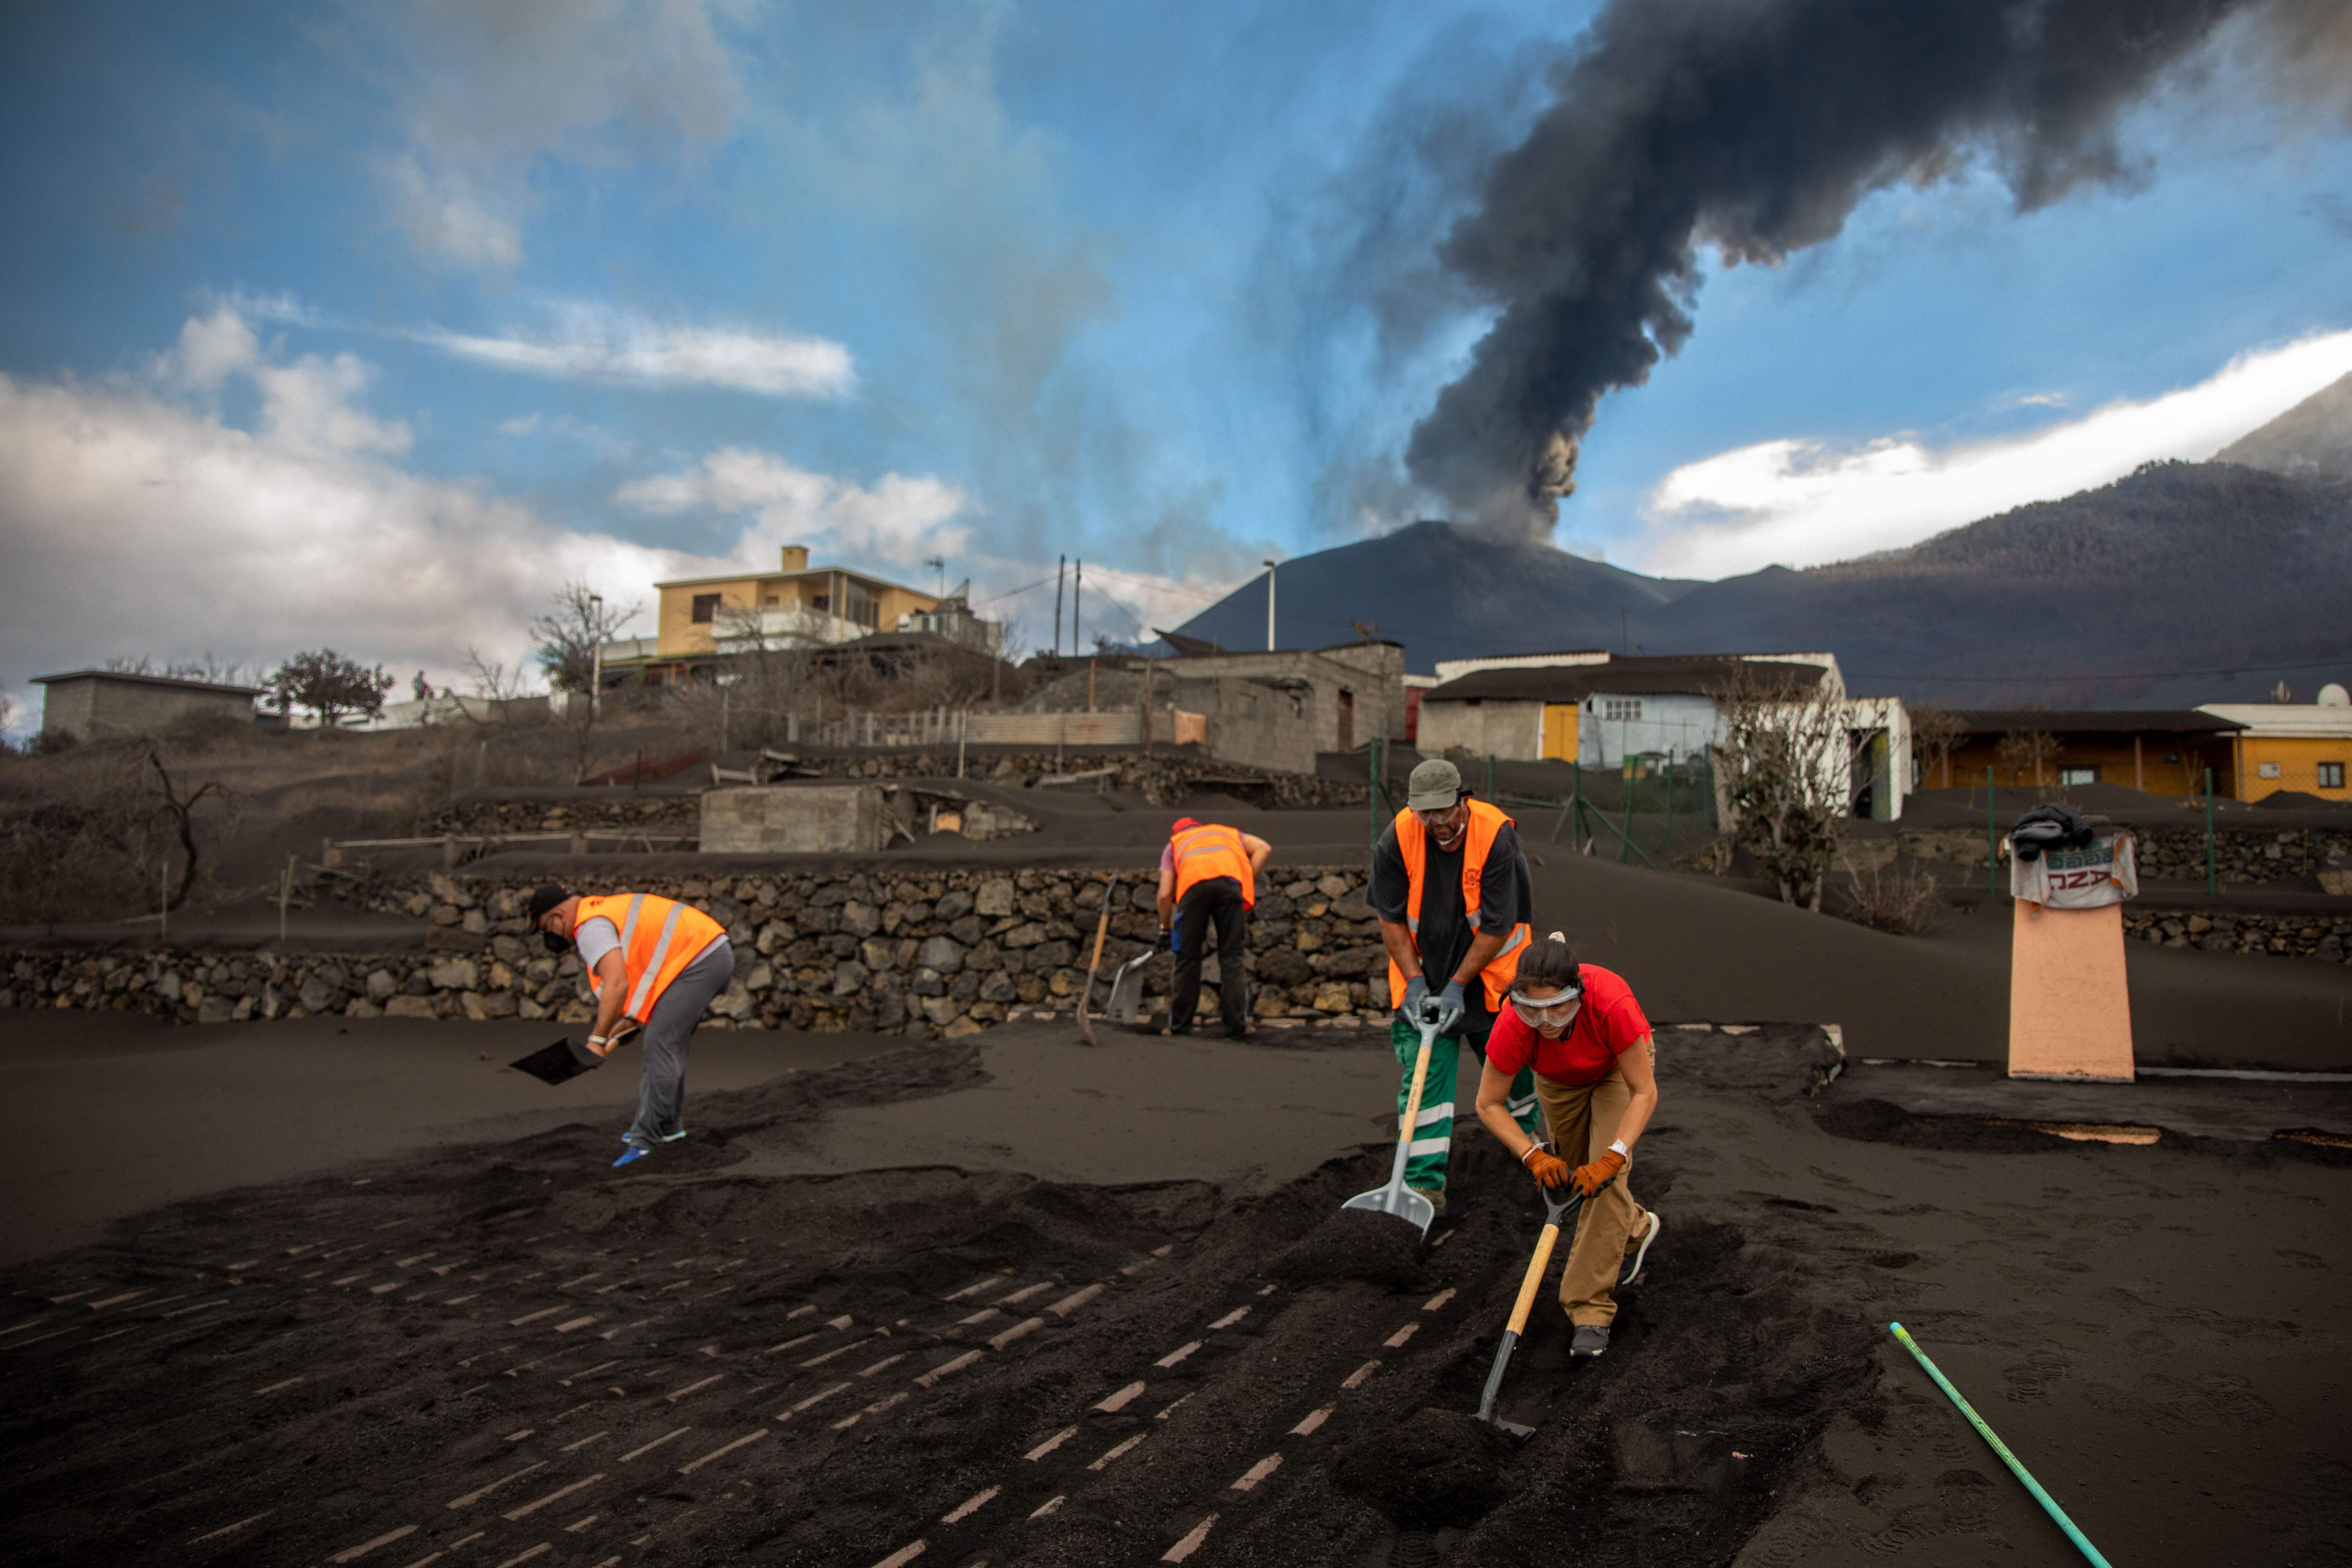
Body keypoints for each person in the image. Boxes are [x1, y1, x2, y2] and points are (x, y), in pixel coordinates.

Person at [1475, 932, 1663, 1359]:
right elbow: (1488, 1103)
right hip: (1560, 1081)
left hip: (1618, 1072)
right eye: (1532, 1010)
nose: (1545, 1020)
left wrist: (1616, 1155)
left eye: (1558, 1007)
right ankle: (1637, 1228)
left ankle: (1589, 1310)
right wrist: (1532, 1153)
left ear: (1576, 994)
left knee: (1604, 1177)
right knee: (1580, 1174)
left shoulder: (1610, 1001)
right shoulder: (1513, 1024)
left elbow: (1644, 1092)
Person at [1370, 758, 1542, 1213]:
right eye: (1425, 814)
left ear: (1462, 800)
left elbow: (1497, 926)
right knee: (1425, 1080)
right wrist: (1413, 981)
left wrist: (1458, 984)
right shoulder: (1397, 838)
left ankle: (1531, 1148)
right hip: (1422, 977)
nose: (1436, 822)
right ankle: (1423, 1187)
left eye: (1443, 811)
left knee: (1510, 1067)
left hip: (1490, 977)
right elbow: (1389, 919)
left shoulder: (1496, 835)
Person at [530, 883, 733, 1168]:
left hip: (699, 960)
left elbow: (616, 983)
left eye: (544, 928)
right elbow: (642, 974)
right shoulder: (601, 914)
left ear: (560, 915)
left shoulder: (589, 928)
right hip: (701, 956)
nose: (547, 937)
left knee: (661, 1045)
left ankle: (645, 1142)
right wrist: (628, 1024)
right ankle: (669, 1128)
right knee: (666, 1043)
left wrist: (598, 1041)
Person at [1156, 816, 1273, 1038]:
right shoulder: (1226, 833)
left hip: (1194, 892)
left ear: (1176, 832)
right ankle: (1237, 1027)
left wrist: (1165, 929)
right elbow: (1264, 849)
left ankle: (1180, 1027)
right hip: (1230, 888)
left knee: (1188, 960)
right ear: (1200, 827)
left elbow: (1164, 895)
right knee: (1233, 958)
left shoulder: (1175, 844)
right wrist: (1244, 878)